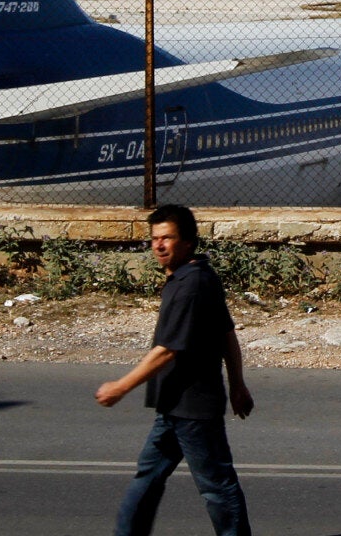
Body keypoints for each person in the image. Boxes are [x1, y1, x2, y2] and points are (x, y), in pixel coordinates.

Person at [97, 204, 256, 536]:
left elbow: (167, 349)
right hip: (173, 405)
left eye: (167, 237)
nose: (158, 245)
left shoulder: (191, 285)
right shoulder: (196, 276)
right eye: (155, 239)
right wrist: (238, 385)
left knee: (216, 487)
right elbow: (226, 334)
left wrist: (120, 387)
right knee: (148, 477)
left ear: (188, 241)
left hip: (194, 407)